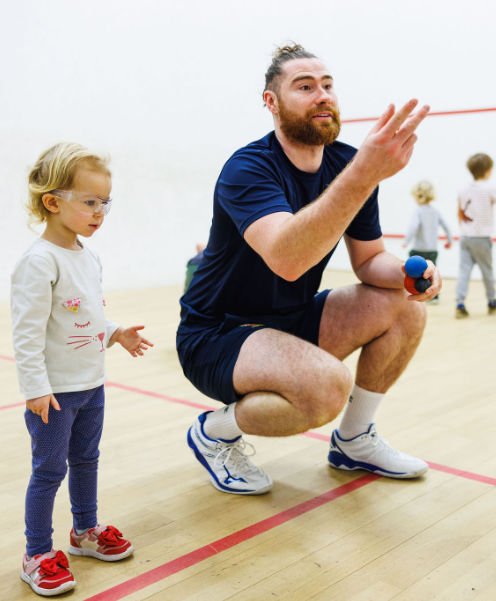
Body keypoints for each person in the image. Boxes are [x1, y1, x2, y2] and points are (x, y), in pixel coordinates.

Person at [176, 44, 440, 497]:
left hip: (292, 320)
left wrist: (409, 274)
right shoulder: (248, 169)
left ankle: (354, 441)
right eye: (304, 87)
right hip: (217, 334)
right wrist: (362, 175)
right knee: (326, 388)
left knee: (406, 309)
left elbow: (369, 260)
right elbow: (288, 259)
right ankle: (214, 432)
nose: (322, 95)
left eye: (327, 85)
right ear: (271, 103)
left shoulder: (345, 163)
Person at [11, 143, 153, 596]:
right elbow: (27, 335)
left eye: (105, 203)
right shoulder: (38, 263)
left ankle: (84, 532)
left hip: (92, 386)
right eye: (90, 202)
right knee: (49, 471)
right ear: (53, 202)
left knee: (87, 460)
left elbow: (85, 315)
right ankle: (36, 553)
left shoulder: (87, 257)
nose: (100, 212)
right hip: (54, 393)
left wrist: (114, 333)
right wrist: (34, 389)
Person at [455, 153, 496, 319]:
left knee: (464, 271)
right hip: (481, 238)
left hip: (465, 237)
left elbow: (459, 211)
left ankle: (460, 303)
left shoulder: (462, 189)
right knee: (487, 271)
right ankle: (492, 302)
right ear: (487, 170)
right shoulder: (490, 188)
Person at [403, 180, 452, 303]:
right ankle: (434, 296)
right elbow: (446, 226)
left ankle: (415, 292)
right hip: (432, 250)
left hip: (418, 250)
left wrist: (406, 241)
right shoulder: (436, 211)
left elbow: (413, 227)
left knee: (414, 274)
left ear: (417, 195)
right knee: (431, 274)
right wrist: (449, 240)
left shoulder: (418, 211)